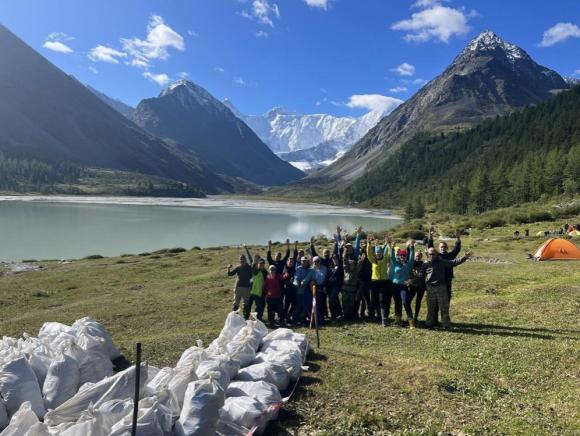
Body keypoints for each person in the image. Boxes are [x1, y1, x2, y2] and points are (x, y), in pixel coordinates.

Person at [422, 247, 472, 329]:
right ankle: (429, 324)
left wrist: (464, 257)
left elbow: (454, 262)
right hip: (430, 288)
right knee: (431, 308)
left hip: (441, 287)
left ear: (436, 254)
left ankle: (446, 325)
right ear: (427, 254)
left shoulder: (442, 262)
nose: (431, 255)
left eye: (433, 254)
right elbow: (421, 275)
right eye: (429, 254)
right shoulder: (425, 264)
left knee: (444, 307)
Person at [427, 228, 461, 300]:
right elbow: (430, 247)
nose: (443, 248)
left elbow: (457, 249)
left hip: (447, 278)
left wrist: (458, 238)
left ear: (447, 248)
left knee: (447, 296)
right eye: (441, 247)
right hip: (437, 279)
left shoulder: (450, 256)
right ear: (438, 248)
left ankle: (445, 310)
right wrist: (430, 236)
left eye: (444, 247)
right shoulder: (436, 256)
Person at [367, 235, 393, 327]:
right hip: (374, 282)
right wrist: (369, 243)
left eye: (380, 253)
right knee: (374, 300)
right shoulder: (373, 260)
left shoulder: (385, 259)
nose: (378, 254)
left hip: (384, 282)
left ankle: (384, 320)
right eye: (377, 253)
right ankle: (376, 315)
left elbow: (389, 253)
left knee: (382, 300)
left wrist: (388, 244)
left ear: (382, 253)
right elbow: (368, 253)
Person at [389, 240, 416, 328]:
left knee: (405, 302)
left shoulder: (409, 264)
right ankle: (397, 320)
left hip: (403, 286)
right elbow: (392, 257)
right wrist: (392, 248)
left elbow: (412, 257)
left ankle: (411, 323)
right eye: (401, 255)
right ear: (399, 256)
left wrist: (412, 248)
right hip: (394, 286)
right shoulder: (395, 263)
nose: (402, 257)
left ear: (405, 256)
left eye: (404, 255)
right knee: (397, 303)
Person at [226, 246, 253, 319]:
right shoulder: (238, 267)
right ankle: (235, 318)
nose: (242, 260)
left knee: (246, 304)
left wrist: (246, 249)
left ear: (245, 260)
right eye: (241, 259)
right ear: (239, 260)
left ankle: (245, 319)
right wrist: (228, 268)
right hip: (238, 288)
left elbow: (251, 259)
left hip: (247, 288)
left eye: (243, 259)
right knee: (236, 304)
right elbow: (230, 274)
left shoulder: (250, 267)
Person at [293, 256, 313, 325]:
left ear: (307, 262)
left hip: (307, 291)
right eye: (303, 261)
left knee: (305, 306)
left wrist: (303, 282)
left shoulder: (310, 269)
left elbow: (307, 278)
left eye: (305, 261)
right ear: (301, 261)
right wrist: (296, 283)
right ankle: (295, 320)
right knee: (298, 305)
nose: (304, 262)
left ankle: (303, 319)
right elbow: (296, 277)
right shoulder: (298, 268)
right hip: (299, 291)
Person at [247, 254, 268, 321]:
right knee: (248, 305)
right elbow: (252, 262)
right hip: (252, 291)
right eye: (260, 264)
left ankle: (258, 318)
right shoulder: (255, 270)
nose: (261, 265)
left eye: (262, 264)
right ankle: (247, 317)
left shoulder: (265, 272)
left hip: (260, 292)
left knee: (260, 306)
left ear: (264, 264)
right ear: (258, 264)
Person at [408, 250, 426, 324]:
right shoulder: (412, 263)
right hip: (413, 285)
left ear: (421, 256)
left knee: (418, 301)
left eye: (419, 256)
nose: (417, 257)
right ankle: (410, 316)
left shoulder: (423, 264)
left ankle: (416, 317)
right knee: (408, 301)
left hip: (421, 285)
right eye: (416, 256)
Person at [327, 252, 344, 320]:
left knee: (332, 299)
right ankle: (339, 313)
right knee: (335, 300)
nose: (335, 259)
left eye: (336, 258)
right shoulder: (330, 267)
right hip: (330, 286)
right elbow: (328, 276)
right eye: (333, 258)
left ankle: (334, 316)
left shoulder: (341, 267)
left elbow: (341, 276)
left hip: (337, 286)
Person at [282, 256, 297, 324]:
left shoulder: (295, 269)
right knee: (286, 306)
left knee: (294, 305)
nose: (291, 263)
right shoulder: (285, 269)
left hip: (294, 290)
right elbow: (282, 280)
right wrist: (287, 280)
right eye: (289, 261)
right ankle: (285, 318)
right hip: (287, 290)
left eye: (292, 262)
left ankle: (288, 316)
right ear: (287, 262)